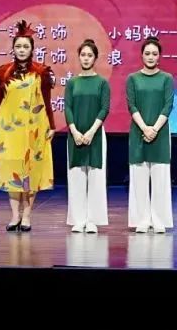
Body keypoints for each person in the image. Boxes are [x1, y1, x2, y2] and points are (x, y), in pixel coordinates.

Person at [0, 19, 56, 232]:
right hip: (8, 130)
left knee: (31, 170)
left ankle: (27, 216)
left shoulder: (41, 72)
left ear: (31, 49)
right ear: (13, 49)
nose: (21, 50)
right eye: (18, 46)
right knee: (11, 169)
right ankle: (14, 215)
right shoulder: (3, 72)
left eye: (25, 46)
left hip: (34, 128)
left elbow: (46, 101)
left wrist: (52, 125)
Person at [126, 36, 174, 234]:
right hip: (138, 132)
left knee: (160, 178)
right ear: (142, 55)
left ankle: (159, 219)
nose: (151, 57)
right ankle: (142, 219)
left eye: (154, 53)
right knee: (139, 178)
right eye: (147, 53)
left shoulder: (167, 79)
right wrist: (145, 128)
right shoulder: (133, 79)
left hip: (160, 133)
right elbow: (132, 105)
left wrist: (154, 128)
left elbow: (168, 105)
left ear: (159, 56)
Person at [65, 39, 111, 233]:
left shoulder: (102, 83)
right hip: (75, 135)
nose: (86, 58)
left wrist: (92, 131)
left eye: (89, 55)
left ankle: (93, 220)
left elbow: (104, 108)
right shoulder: (72, 83)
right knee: (76, 177)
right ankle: (78, 219)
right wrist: (75, 131)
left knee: (96, 177)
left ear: (95, 58)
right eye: (83, 55)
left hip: (95, 135)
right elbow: (67, 108)